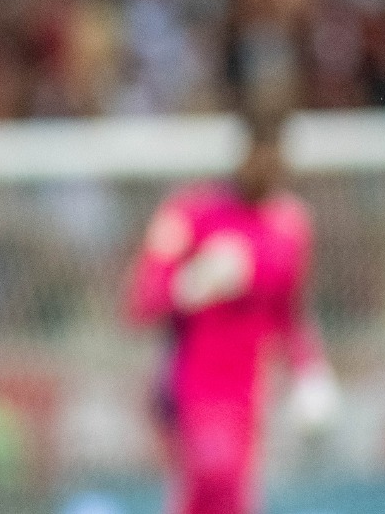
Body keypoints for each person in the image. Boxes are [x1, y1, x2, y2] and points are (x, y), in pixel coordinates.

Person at [125, 107, 339, 514]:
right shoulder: (192, 213)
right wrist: (193, 282)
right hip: (191, 383)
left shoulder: (289, 226)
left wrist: (310, 370)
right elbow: (142, 302)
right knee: (212, 484)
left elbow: (289, 313)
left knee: (232, 498)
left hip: (250, 390)